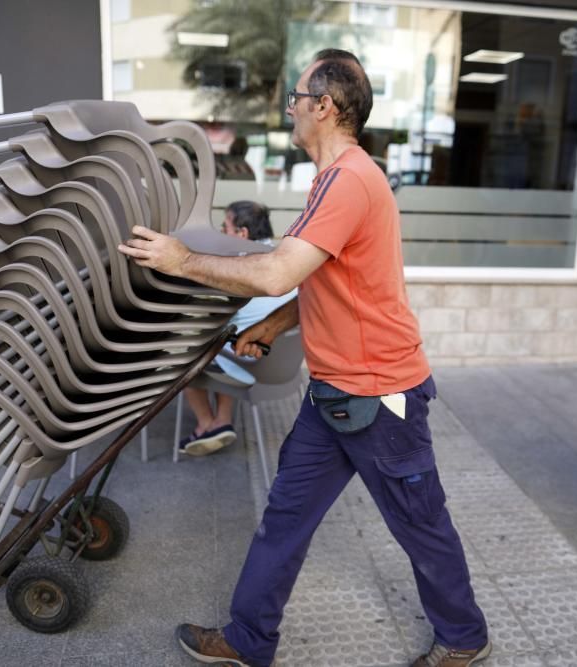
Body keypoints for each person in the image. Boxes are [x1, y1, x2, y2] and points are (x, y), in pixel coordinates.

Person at [119, 49, 490, 667]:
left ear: (324, 106)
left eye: (295, 97)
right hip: (334, 396)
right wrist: (275, 322)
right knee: (284, 519)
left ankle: (464, 636)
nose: (289, 107)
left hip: (380, 397)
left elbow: (277, 271)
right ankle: (247, 639)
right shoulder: (331, 178)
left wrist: (183, 261)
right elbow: (322, 278)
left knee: (420, 526)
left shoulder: (349, 180)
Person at [178, 200, 297, 456]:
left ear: (242, 234)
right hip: (283, 368)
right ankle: (222, 421)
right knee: (226, 337)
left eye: (224, 227)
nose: (221, 232)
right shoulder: (289, 265)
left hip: (249, 362)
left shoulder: (239, 266)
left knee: (187, 358)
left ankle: (206, 423)